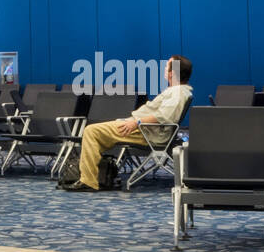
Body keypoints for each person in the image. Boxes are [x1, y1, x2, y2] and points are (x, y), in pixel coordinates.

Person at [64, 55, 194, 192]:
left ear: (171, 73)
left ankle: (89, 181)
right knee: (97, 136)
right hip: (142, 128)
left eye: (167, 65)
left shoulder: (177, 92)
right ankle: (98, 176)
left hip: (145, 132)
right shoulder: (178, 91)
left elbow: (164, 116)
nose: (164, 68)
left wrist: (136, 122)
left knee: (92, 132)